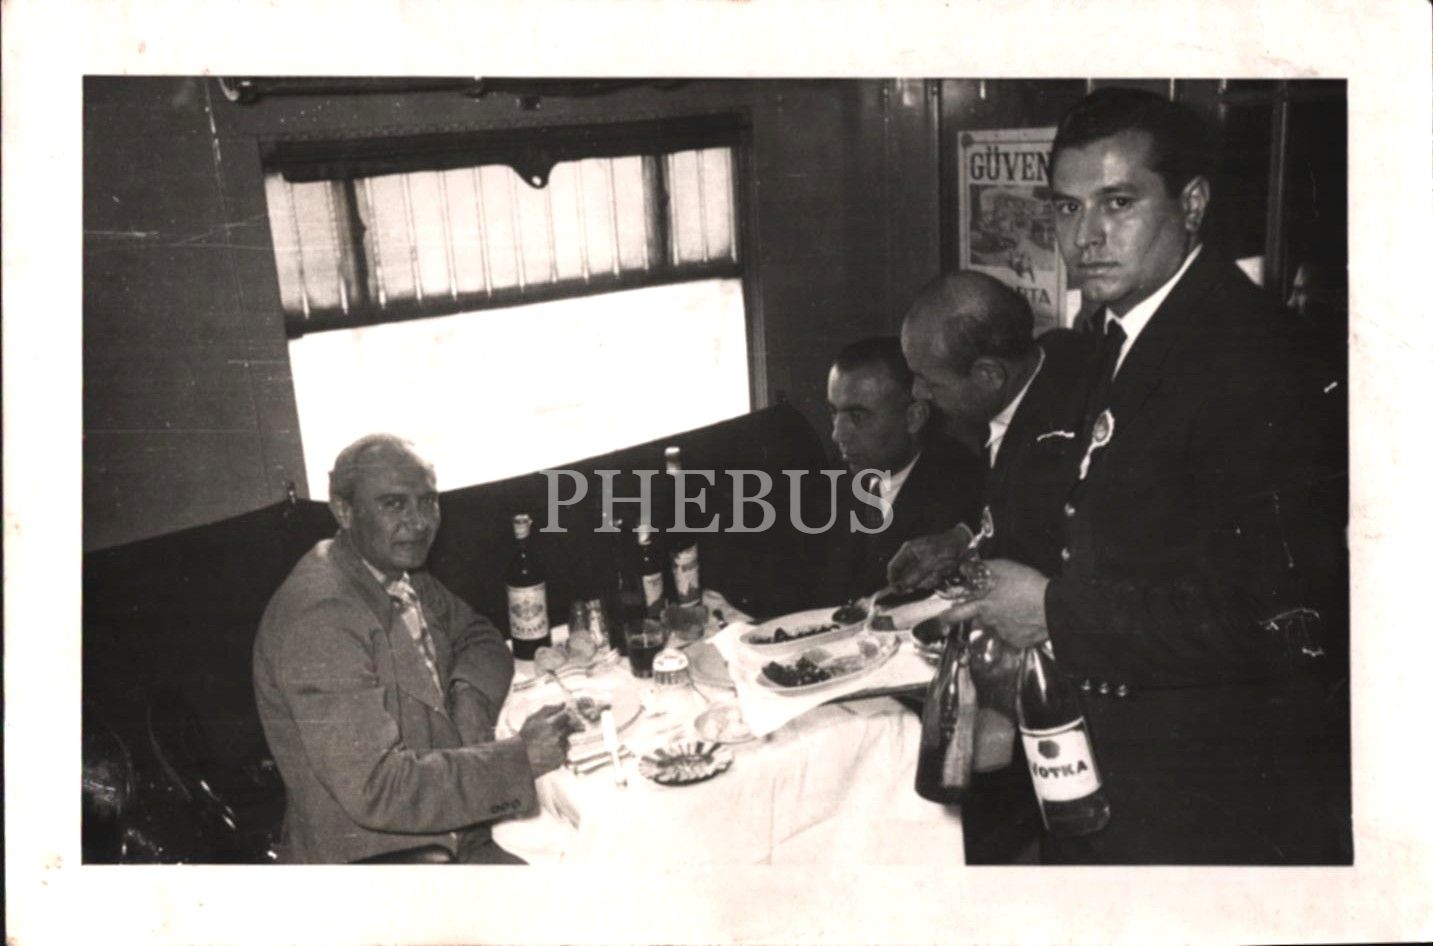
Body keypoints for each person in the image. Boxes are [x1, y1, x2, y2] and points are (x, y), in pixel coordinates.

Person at [938, 87, 1349, 864]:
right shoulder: (1112, 334)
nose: (1084, 236)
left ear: (1191, 204)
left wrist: (1052, 611)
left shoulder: (1262, 359)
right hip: (1102, 763)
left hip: (1207, 797)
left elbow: (1284, 622)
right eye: (1067, 208)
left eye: (1117, 203)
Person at [253, 434, 577, 864]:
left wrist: (467, 697)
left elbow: (478, 635)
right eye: (393, 504)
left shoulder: (394, 570)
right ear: (343, 510)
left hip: (450, 818)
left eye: (428, 501)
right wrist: (519, 761)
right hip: (390, 861)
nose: (419, 522)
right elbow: (378, 788)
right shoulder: (321, 619)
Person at [890, 270, 1090, 865]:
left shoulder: (1064, 435)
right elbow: (1012, 507)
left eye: (928, 381)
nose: (918, 394)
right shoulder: (1040, 369)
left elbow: (1051, 533)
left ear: (987, 376)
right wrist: (960, 538)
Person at [824, 336, 983, 599]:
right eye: (833, 413)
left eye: (857, 416)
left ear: (914, 418)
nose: (837, 435)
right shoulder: (835, 477)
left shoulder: (965, 489)